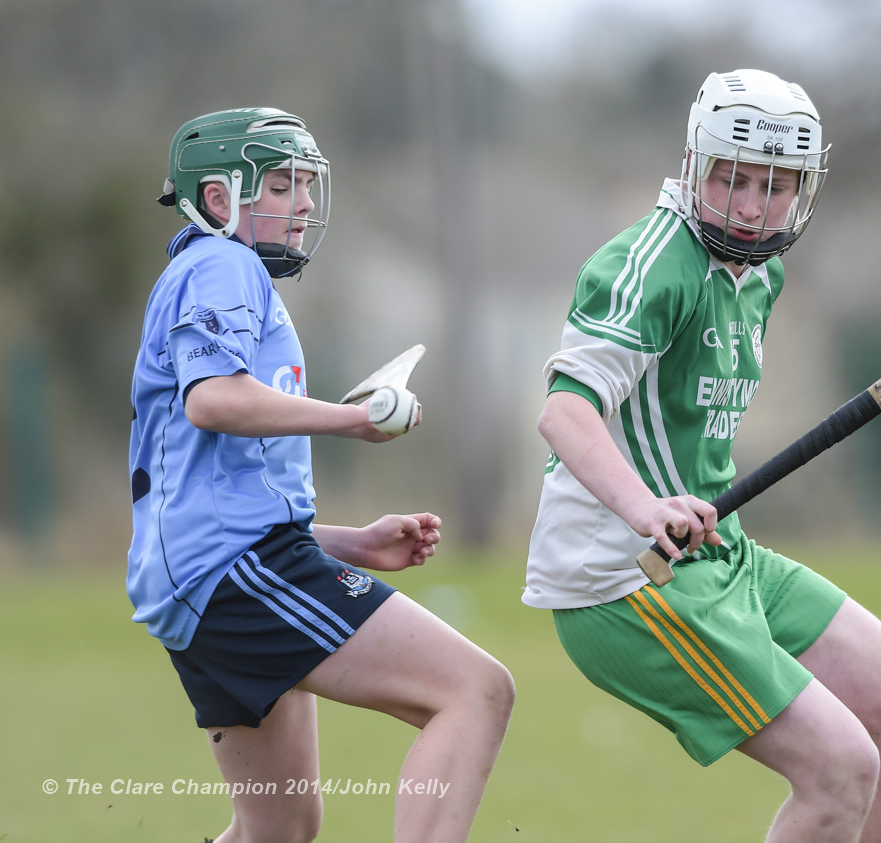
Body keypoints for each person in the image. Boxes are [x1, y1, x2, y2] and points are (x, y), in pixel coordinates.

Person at [524, 70, 881, 842]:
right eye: (734, 179)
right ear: (694, 166)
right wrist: (643, 507)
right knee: (839, 767)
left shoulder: (761, 273)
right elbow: (565, 412)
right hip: (623, 575)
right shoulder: (652, 262)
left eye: (777, 185)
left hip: (721, 555)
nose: (753, 207)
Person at [129, 108, 514, 843]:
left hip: (210, 575)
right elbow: (213, 401)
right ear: (219, 199)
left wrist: (348, 544)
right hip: (233, 574)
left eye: (306, 182)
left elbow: (208, 491)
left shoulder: (211, 274)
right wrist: (352, 419)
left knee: (278, 830)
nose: (304, 201)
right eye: (282, 182)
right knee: (474, 689)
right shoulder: (221, 264)